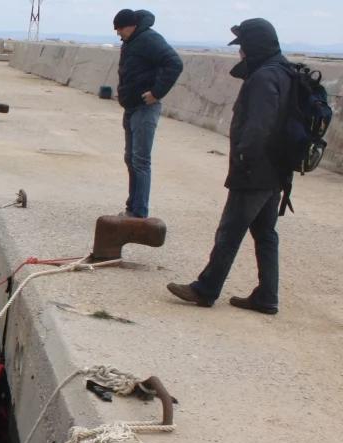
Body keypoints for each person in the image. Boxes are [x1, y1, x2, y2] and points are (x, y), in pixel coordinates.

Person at [167, 19, 293, 315]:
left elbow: (258, 126)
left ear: (253, 47)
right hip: (276, 170)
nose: (240, 54)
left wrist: (243, 160)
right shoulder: (285, 71)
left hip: (255, 170)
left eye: (242, 47)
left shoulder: (264, 78)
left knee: (230, 231)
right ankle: (267, 296)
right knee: (265, 233)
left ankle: (205, 289)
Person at [114, 9, 183, 218]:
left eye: (120, 29)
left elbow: (175, 63)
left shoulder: (149, 39)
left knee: (140, 160)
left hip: (145, 108)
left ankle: (139, 211)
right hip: (132, 106)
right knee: (130, 158)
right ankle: (132, 206)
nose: (118, 33)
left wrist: (156, 92)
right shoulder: (131, 42)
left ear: (131, 25)